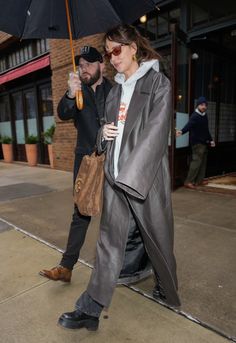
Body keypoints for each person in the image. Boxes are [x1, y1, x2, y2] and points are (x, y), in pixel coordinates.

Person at [58, 24, 181, 332]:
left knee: (159, 241)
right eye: (107, 52)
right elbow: (105, 132)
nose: (112, 58)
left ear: (133, 48)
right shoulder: (114, 92)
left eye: (117, 50)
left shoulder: (158, 84)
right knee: (108, 244)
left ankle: (168, 290)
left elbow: (156, 133)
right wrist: (103, 134)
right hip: (115, 178)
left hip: (145, 180)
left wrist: (132, 175)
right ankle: (90, 308)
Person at [39, 46, 112, 282]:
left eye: (89, 64)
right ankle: (66, 267)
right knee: (80, 212)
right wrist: (70, 93)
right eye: (81, 65)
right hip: (86, 162)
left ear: (102, 65)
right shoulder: (77, 90)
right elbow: (63, 113)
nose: (84, 69)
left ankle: (117, 266)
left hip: (112, 160)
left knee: (115, 214)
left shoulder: (115, 89)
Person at [176, 96, 215, 189]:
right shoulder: (195, 116)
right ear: (198, 105)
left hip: (204, 143)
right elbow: (189, 125)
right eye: (202, 105)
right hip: (197, 143)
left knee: (203, 163)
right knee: (196, 162)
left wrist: (211, 140)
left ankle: (199, 181)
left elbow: (206, 130)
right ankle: (188, 181)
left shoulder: (204, 115)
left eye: (205, 105)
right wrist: (181, 131)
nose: (204, 106)